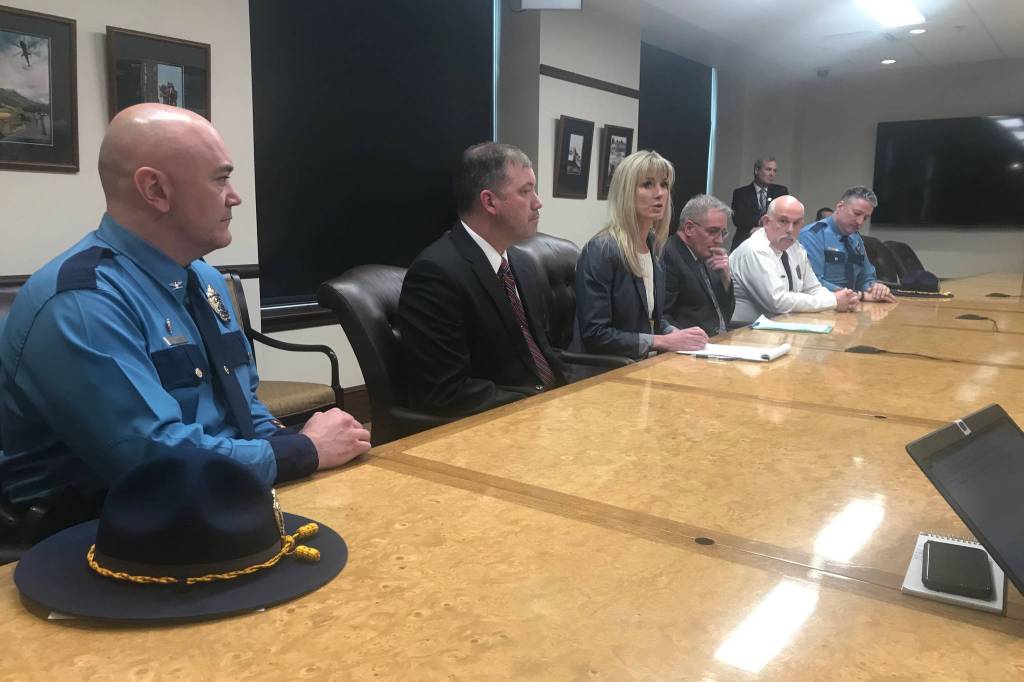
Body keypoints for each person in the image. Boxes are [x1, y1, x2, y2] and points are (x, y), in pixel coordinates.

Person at [0, 104, 370, 540]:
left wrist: (297, 444)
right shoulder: (82, 301)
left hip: (212, 496)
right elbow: (154, 461)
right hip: (91, 528)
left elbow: (241, 401)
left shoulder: (203, 278)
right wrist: (303, 450)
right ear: (155, 189)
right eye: (220, 178)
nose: (235, 195)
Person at [398, 142, 566, 418]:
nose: (538, 202)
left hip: (544, 412)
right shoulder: (436, 274)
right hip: (496, 427)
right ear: (489, 202)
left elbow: (544, 353)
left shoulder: (522, 264)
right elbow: (446, 393)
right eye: (526, 191)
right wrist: (536, 404)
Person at [571, 150, 707, 361]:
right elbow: (595, 334)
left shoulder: (655, 247)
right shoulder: (601, 250)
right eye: (647, 184)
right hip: (605, 373)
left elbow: (651, 320)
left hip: (645, 364)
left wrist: (675, 333)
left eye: (664, 185)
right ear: (626, 192)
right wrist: (661, 341)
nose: (660, 193)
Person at [730, 195, 860, 324]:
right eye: (783, 221)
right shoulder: (755, 249)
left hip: (781, 326)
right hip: (743, 332)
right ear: (766, 222)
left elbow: (813, 289)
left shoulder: (795, 248)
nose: (790, 229)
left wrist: (844, 300)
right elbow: (777, 302)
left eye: (796, 223)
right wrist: (833, 301)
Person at [798, 186, 896, 302]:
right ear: (840, 207)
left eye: (865, 218)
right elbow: (813, 283)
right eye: (857, 213)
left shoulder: (855, 237)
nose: (860, 222)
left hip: (852, 305)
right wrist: (858, 295)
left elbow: (865, 276)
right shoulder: (812, 235)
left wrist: (874, 288)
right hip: (824, 307)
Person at [661, 194, 735, 336]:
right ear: (689, 228)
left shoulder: (707, 254)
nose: (719, 240)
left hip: (718, 342)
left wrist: (726, 279)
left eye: (723, 233)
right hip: (689, 349)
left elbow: (726, 315)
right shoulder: (669, 255)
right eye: (713, 231)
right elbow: (661, 317)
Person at [730, 156, 789, 248]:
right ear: (756, 170)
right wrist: (764, 221)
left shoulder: (781, 192)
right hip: (746, 241)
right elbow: (738, 219)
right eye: (768, 169)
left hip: (773, 243)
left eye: (774, 171)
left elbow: (784, 217)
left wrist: (763, 228)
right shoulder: (741, 193)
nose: (772, 174)